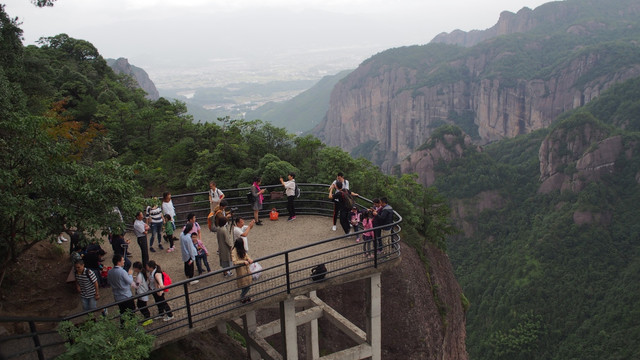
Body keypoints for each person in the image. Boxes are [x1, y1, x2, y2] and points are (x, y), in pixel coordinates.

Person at [106, 254, 137, 320]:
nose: (124, 262)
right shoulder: (122, 272)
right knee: (131, 311)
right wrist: (130, 275)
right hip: (126, 295)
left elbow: (109, 282)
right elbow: (130, 281)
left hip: (117, 296)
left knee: (122, 311)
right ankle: (133, 327)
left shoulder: (110, 272)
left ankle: (123, 326)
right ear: (119, 262)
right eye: (122, 260)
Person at [231, 237, 253, 303]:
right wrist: (243, 262)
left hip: (246, 269)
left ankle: (243, 297)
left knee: (248, 284)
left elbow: (246, 255)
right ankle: (242, 297)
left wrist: (249, 259)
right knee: (245, 285)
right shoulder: (234, 251)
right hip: (241, 271)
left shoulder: (240, 249)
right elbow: (234, 261)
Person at [215, 201, 234, 277]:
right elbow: (227, 239)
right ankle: (226, 272)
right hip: (225, 248)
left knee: (223, 259)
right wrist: (230, 246)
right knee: (226, 259)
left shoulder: (219, 229)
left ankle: (225, 271)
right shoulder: (223, 230)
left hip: (221, 245)